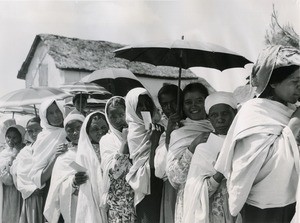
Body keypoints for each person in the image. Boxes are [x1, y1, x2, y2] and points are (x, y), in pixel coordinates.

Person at [215, 45, 300, 223]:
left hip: (292, 200)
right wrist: (294, 126)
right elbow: (254, 165)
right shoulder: (253, 113)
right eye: (295, 81)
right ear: (273, 82)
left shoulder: (290, 109)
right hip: (264, 209)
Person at [183, 91, 238, 223]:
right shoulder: (204, 147)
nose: (220, 119)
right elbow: (195, 191)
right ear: (209, 118)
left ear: (235, 114)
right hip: (216, 213)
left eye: (225, 113)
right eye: (214, 115)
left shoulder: (243, 141)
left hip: (241, 208)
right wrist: (220, 172)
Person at [166, 82, 214, 223]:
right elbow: (174, 176)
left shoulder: (218, 126)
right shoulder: (178, 134)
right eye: (188, 102)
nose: (194, 106)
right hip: (191, 199)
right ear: (182, 106)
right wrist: (193, 146)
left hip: (217, 198)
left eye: (200, 101)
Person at [125, 87, 164, 223]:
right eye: (139, 105)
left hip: (162, 180)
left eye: (147, 104)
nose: (144, 108)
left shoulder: (158, 125)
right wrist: (154, 142)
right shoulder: (134, 134)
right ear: (131, 107)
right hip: (147, 185)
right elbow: (145, 166)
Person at [28, 99, 67, 219]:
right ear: (45, 117)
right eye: (50, 113)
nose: (56, 115)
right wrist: (55, 157)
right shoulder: (42, 139)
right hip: (52, 190)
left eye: (57, 111)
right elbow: (40, 178)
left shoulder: (70, 130)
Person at [100, 96, 136, 222]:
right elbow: (114, 172)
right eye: (113, 117)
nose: (118, 120)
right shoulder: (107, 140)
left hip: (140, 196)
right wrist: (125, 143)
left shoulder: (139, 134)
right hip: (121, 201)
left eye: (122, 114)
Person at [44, 114, 86, 223]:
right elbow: (57, 186)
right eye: (70, 130)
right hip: (74, 203)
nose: (75, 133)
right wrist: (73, 182)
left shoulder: (95, 148)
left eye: (78, 128)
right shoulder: (64, 156)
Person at [155, 84, 182, 223]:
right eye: (165, 105)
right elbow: (160, 169)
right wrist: (170, 132)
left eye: (174, 102)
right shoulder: (163, 132)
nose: (170, 108)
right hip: (172, 187)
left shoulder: (195, 124)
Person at [75, 111, 109, 223]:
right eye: (95, 129)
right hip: (93, 198)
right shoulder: (84, 153)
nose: (100, 132)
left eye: (104, 127)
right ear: (88, 133)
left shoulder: (113, 145)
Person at [10, 117, 44, 223]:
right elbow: (15, 172)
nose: (34, 134)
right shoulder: (25, 151)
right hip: (31, 196)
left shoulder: (50, 146)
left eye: (37, 130)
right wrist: (30, 189)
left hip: (46, 193)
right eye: (30, 131)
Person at [0, 124, 26, 223]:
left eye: (15, 137)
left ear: (21, 137)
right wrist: (11, 158)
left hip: (20, 190)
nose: (11, 140)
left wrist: (14, 156)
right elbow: (7, 180)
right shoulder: (3, 153)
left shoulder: (25, 152)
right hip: (6, 191)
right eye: (9, 137)